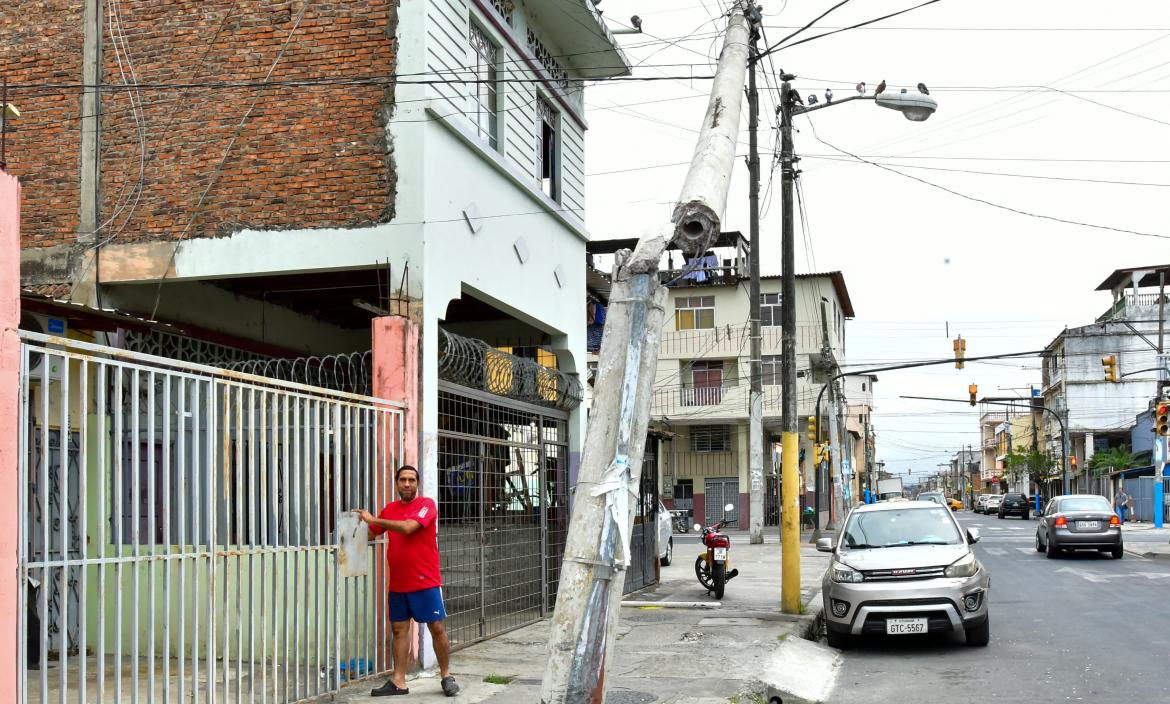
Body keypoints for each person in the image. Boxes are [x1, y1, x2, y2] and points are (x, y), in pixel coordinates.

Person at [358, 465, 459, 697]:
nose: (407, 484)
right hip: (399, 583)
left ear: (417, 483)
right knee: (399, 630)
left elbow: (407, 528)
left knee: (436, 627)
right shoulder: (390, 509)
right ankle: (399, 682)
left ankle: (446, 676)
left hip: (425, 581)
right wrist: (345, 536)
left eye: (411, 480)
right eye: (402, 480)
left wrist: (375, 519)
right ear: (396, 483)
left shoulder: (426, 505)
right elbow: (371, 533)